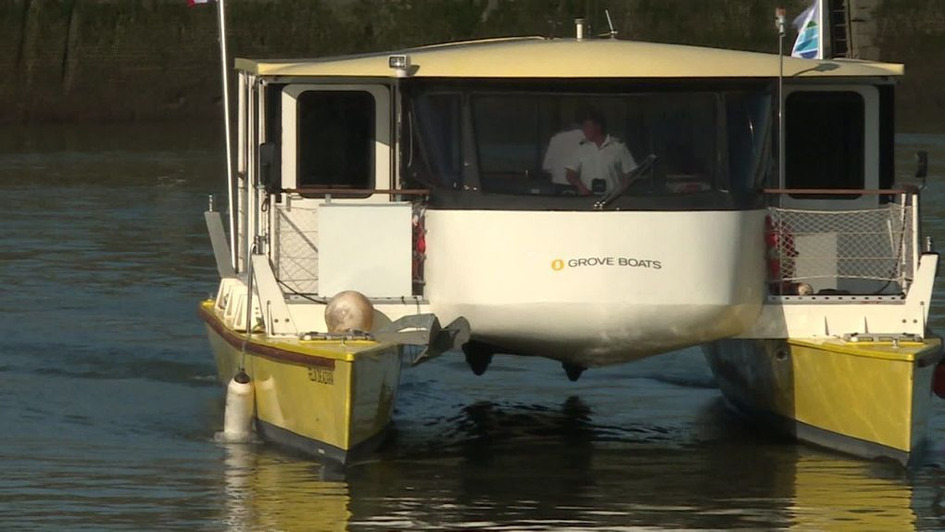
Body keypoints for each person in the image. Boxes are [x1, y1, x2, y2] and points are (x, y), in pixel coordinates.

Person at [565, 109, 637, 196]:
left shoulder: (618, 147)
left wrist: (620, 192)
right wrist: (580, 186)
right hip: (586, 198)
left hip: (612, 199)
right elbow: (570, 174)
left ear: (598, 127)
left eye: (587, 126)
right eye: (583, 127)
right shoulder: (581, 149)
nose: (584, 130)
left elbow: (630, 173)